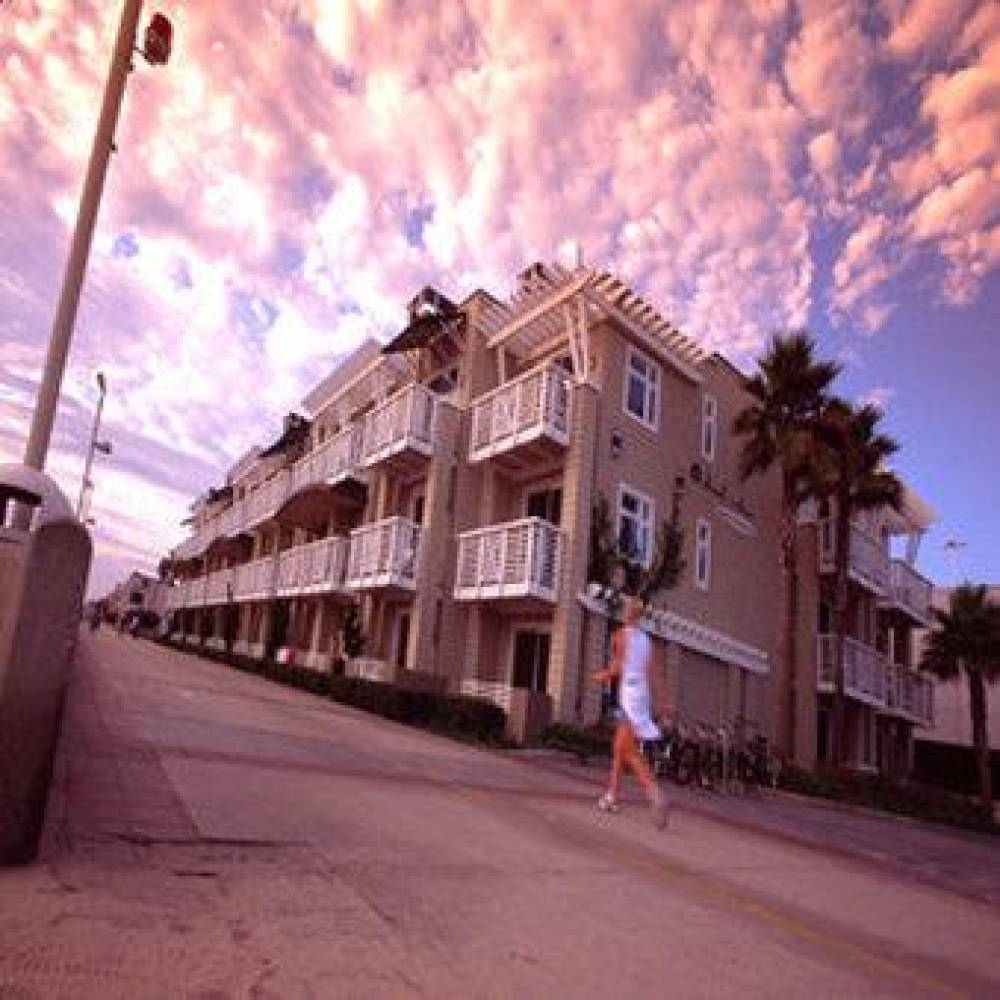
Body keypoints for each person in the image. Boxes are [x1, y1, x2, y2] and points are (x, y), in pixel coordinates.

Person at [592, 594, 669, 829]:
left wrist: (602, 675)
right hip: (642, 695)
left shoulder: (619, 637)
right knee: (620, 748)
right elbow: (654, 674)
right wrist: (664, 702)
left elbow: (617, 667)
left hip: (629, 695)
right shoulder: (646, 640)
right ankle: (611, 796)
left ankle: (653, 791)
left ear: (626, 614)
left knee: (629, 752)